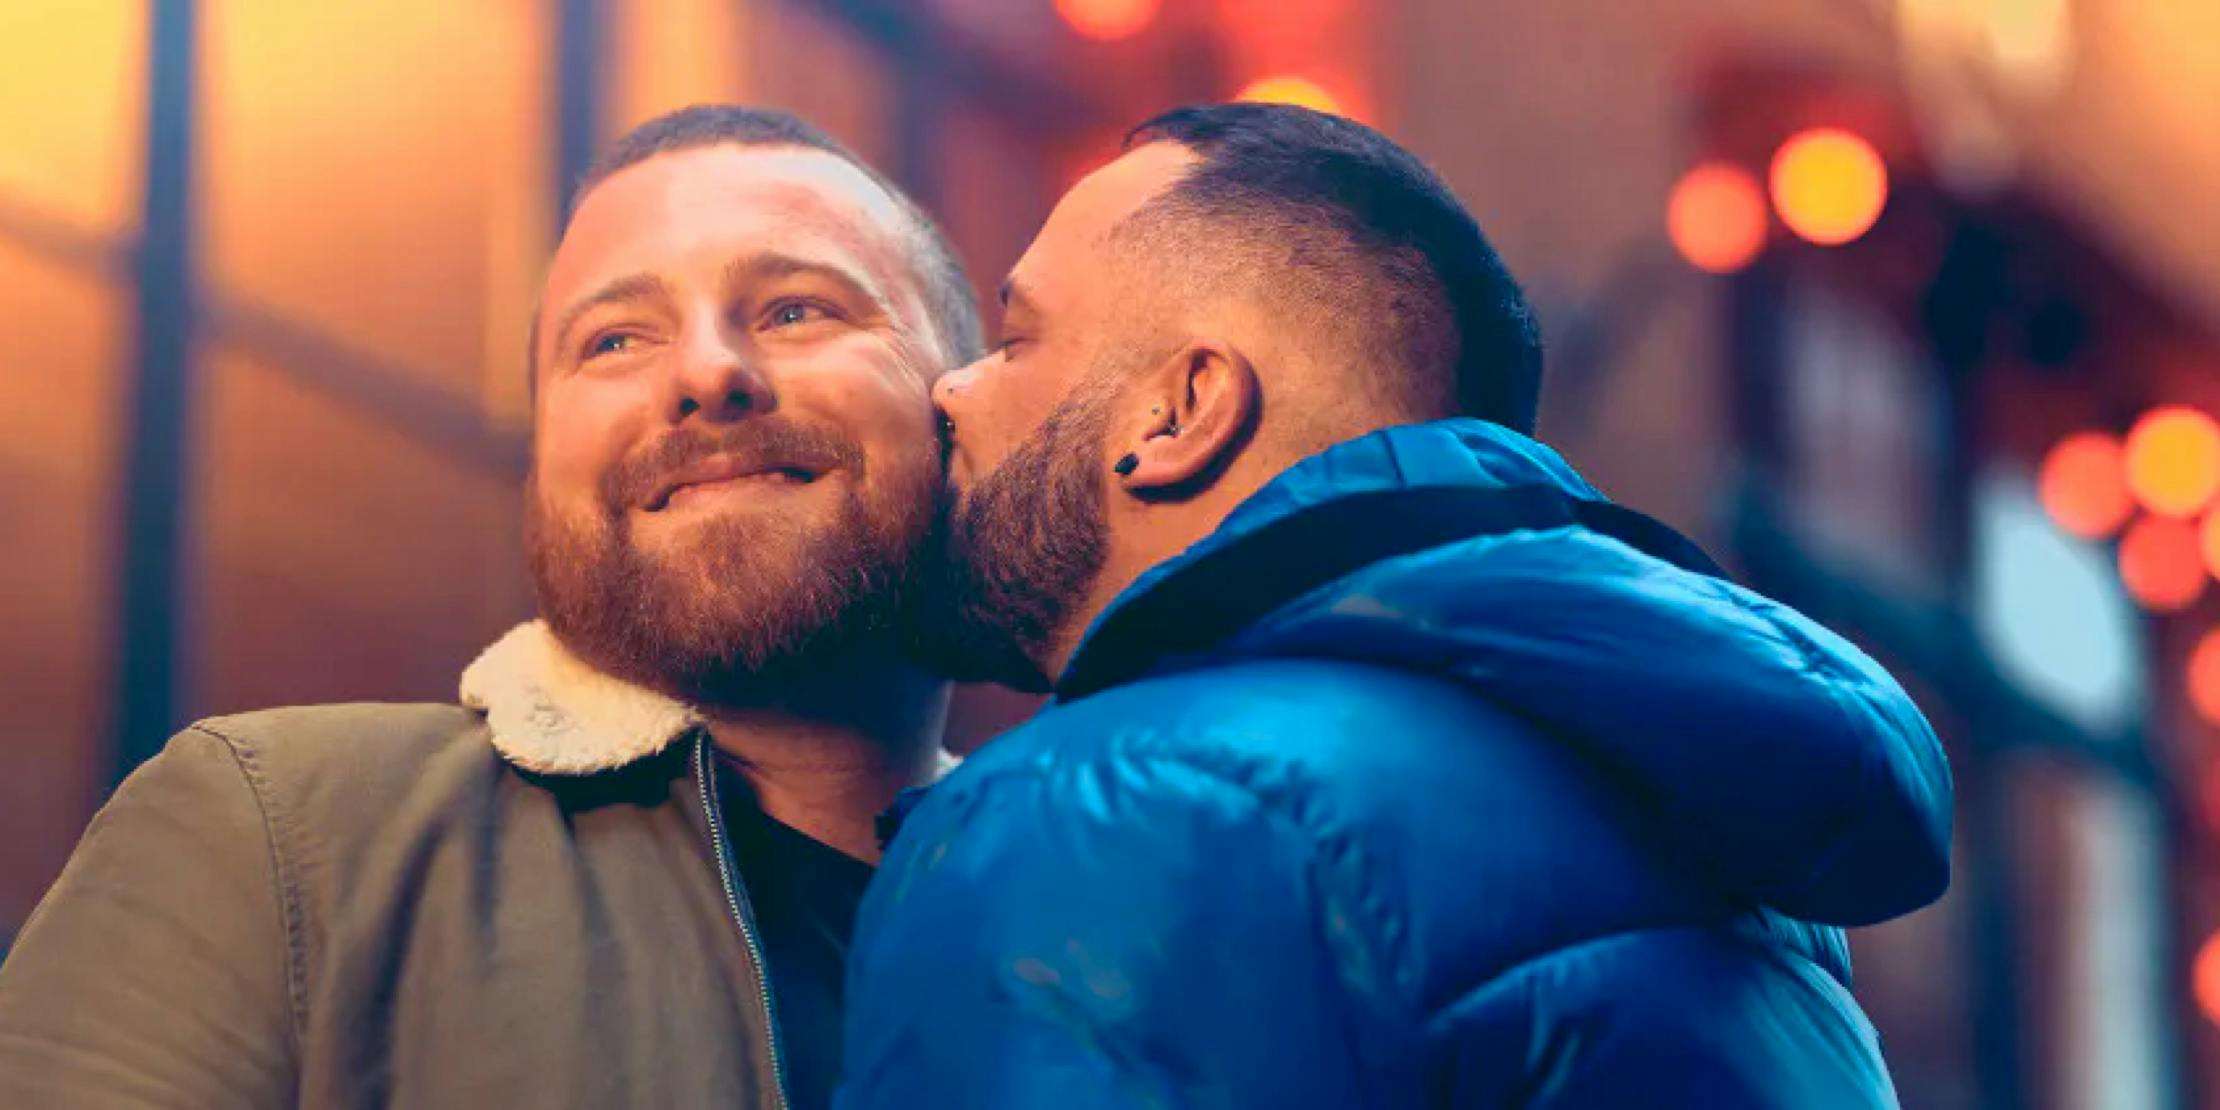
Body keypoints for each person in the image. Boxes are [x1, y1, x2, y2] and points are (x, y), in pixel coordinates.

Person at [837, 103, 1953, 1107]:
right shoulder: (1734, 862)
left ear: (1180, 412)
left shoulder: (1106, 810)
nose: (952, 386)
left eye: (1016, 339)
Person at [0, 105, 980, 1109]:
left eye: (795, 310)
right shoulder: (274, 836)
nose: (705, 372)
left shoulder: (1117, 911)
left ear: (973, 410)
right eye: (613, 340)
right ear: (541, 459)